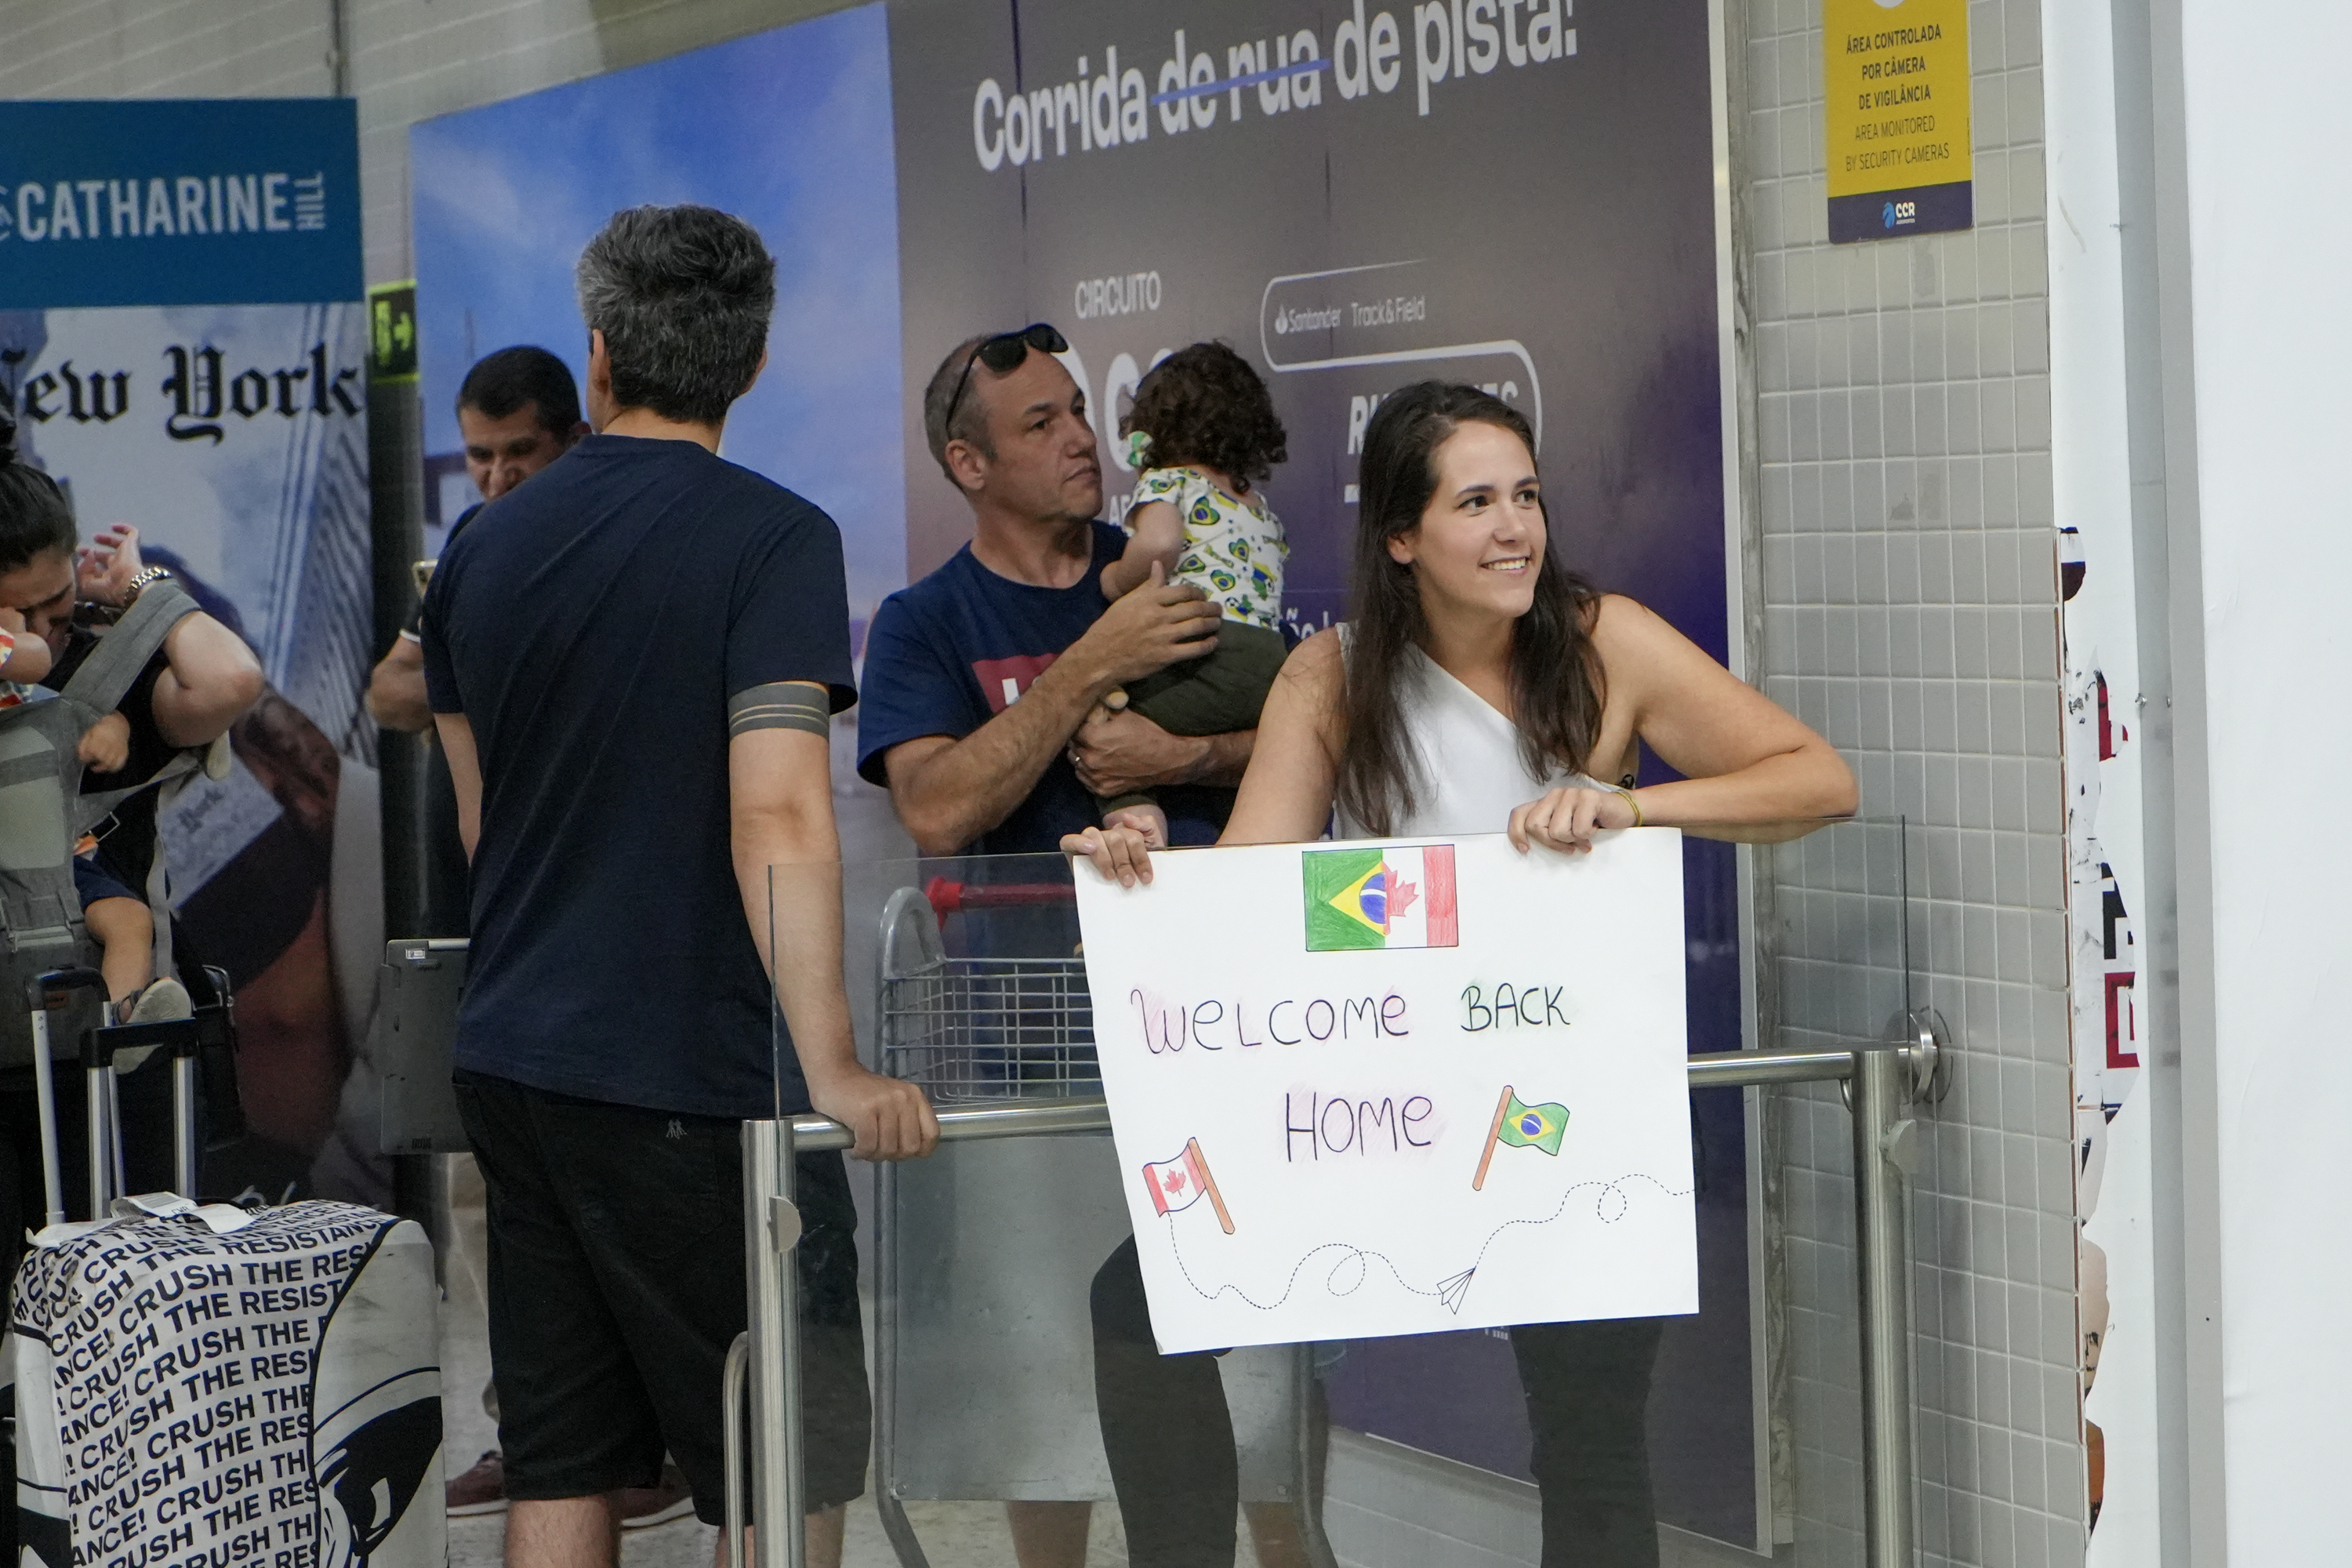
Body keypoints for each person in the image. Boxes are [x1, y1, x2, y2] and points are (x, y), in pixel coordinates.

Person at [1065, 382, 1858, 1568]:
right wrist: (1144, 866)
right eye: (1476, 501)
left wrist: (1633, 806)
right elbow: (1248, 880)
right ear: (1401, 535)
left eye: (1526, 496)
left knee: (1591, 1437)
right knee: (1137, 1307)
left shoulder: (1607, 639)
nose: (1514, 527)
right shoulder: (1332, 675)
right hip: (1386, 1110)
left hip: (1562, 1111)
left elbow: (1817, 782)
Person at [421, 203, 937, 1568]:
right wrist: (833, 1065)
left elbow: (482, 821)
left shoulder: (481, 548)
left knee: (562, 1459)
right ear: (753, 363)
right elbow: (778, 808)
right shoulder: (776, 540)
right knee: (782, 1461)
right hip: (701, 1080)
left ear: (597, 354)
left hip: (517, 1057)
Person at [856, 328, 1276, 1568]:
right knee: (1044, 1379)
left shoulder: (1173, 561)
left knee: (1253, 1370)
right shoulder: (927, 621)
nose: (1081, 439)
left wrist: (1185, 757)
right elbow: (938, 808)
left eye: (1079, 411)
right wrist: (1093, 665)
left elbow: (1312, 728)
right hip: (1028, 1050)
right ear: (968, 464)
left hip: (1211, 1032)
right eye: (1038, 423)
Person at [1093, 343, 1291, 844]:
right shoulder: (1258, 506)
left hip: (1207, 654)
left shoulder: (1170, 481)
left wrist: (1115, 579)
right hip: (1266, 672)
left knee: (1105, 724)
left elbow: (1159, 544)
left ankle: (1138, 819)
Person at [367, 345, 588, 737]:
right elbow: (385, 693)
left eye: (520, 451)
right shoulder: (469, 533)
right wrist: (474, 685)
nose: (499, 477)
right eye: (481, 456)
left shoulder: (607, 541)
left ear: (575, 442)